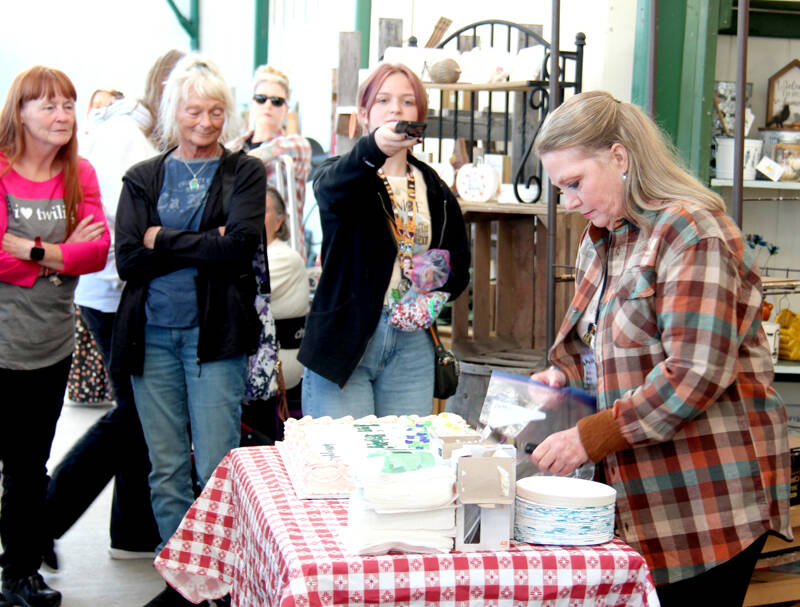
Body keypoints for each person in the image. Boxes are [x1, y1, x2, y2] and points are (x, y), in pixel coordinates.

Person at [527, 90, 792, 606]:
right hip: (642, 498)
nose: (570, 202)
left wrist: (590, 436)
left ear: (620, 157)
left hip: (706, 500)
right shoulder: (601, 240)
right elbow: (610, 348)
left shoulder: (692, 233)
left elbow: (695, 373)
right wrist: (567, 379)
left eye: (575, 183)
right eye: (562, 189)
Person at [111, 54, 266, 607]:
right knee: (168, 466)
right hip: (149, 337)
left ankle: (221, 578)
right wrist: (201, 242)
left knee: (219, 463)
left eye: (217, 111)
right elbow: (128, 260)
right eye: (194, 111)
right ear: (173, 112)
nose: (205, 122)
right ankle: (184, 584)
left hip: (214, 339)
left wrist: (162, 238)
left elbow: (238, 248)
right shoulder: (143, 177)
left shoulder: (244, 171)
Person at [44, 50, 185, 570]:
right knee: (133, 415)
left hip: (122, 292)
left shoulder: (138, 134)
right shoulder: (127, 137)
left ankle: (131, 529)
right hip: (112, 293)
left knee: (142, 416)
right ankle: (41, 519)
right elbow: (124, 227)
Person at [298, 62, 470, 418]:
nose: (396, 109)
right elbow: (328, 190)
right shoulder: (344, 174)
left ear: (419, 116)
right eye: (384, 100)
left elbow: (460, 264)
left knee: (404, 461)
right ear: (364, 114)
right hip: (346, 339)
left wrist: (435, 287)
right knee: (343, 460)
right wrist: (374, 148)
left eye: (408, 102)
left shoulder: (433, 186)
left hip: (412, 341)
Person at [0, 65, 109, 607]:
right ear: (18, 112)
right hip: (2, 342)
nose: (62, 115)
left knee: (27, 467)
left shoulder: (79, 175)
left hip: (50, 346)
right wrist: (60, 259)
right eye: (48, 105)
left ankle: (19, 576)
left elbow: (96, 253)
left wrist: (35, 251)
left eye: (67, 104)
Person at [242, 185, 310, 441]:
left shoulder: (283, 257)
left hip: (279, 362)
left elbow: (246, 294)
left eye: (263, 210)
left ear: (280, 220)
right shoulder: (256, 255)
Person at [227, 65, 311, 257]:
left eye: (276, 101)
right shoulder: (233, 147)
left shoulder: (296, 146)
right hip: (238, 245)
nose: (268, 106)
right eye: (261, 99)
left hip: (279, 250)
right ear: (252, 103)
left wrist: (232, 165)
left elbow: (267, 155)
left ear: (286, 109)